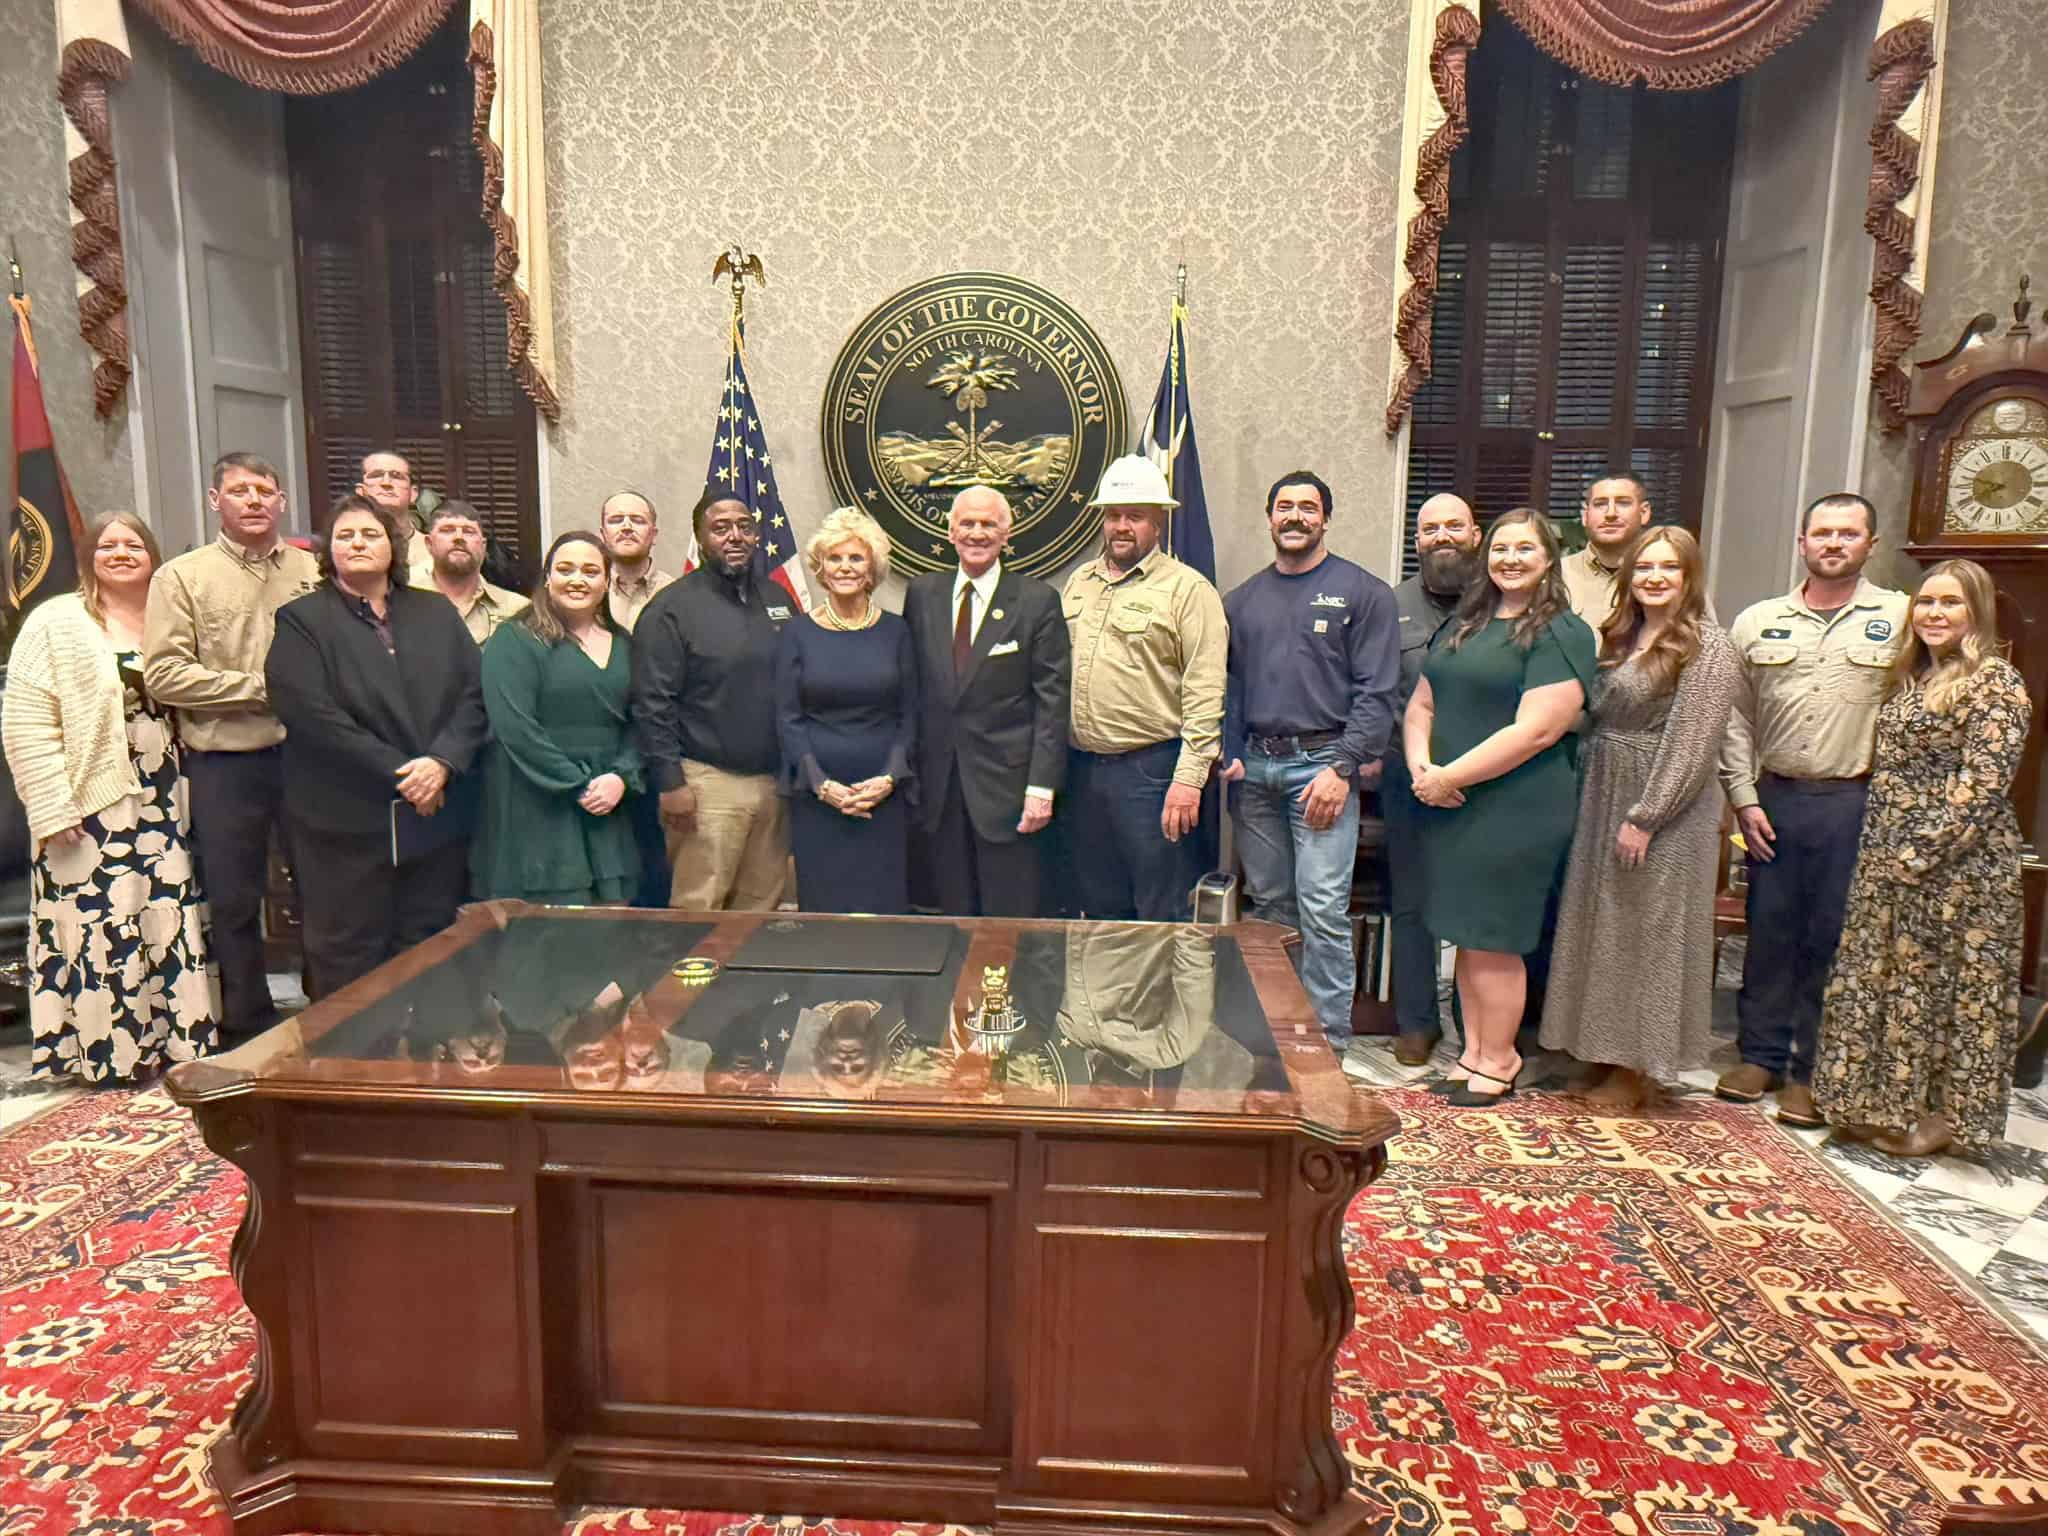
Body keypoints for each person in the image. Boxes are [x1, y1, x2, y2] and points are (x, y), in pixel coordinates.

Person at [1813, 561, 2030, 1157]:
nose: (1935, 613)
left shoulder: (1996, 684)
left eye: (1951, 603)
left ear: (1977, 612)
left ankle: (1942, 1119)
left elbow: (1982, 785)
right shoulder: (1911, 676)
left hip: (1958, 871)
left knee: (1946, 993)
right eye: (1926, 601)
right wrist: (1886, 858)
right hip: (1886, 860)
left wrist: (1916, 856)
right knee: (1886, 986)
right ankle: (1875, 1102)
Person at [2, 512, 218, 1082]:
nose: (121, 553)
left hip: (169, 799)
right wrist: (50, 804)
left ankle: (179, 1044)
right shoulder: (56, 621)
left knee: (166, 916)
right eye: (107, 545)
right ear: (87, 556)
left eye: (133, 544)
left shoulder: (174, 615)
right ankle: (108, 1054)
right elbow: (26, 722)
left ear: (153, 554)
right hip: (88, 800)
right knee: (101, 922)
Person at [1717, 492, 1909, 1127]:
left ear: (1869, 545)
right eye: (1822, 533)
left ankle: (1811, 1068)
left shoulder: (1901, 618)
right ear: (1801, 542)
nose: (1834, 543)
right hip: (1774, 798)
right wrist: (1743, 797)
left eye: (1848, 534)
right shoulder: (1758, 621)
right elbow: (1735, 718)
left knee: (1833, 935)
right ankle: (1761, 1055)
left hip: (1855, 798)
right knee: (1769, 929)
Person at [1539, 527, 1738, 1109]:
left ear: (1689, 577)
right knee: (1603, 928)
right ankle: (1600, 1051)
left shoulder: (1708, 646)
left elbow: (1695, 744)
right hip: (1604, 789)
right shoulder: (1622, 635)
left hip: (1662, 807)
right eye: (1644, 567)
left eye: (1668, 568)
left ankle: (1639, 1069)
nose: (1654, 577)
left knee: (1650, 934)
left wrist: (1647, 816)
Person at [1405, 507, 1594, 1105]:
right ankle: (1471, 1053)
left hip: (1515, 805)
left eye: (1526, 550)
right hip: (1450, 800)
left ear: (1549, 559)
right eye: (1501, 549)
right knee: (1464, 931)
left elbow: (1537, 730)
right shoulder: (1470, 620)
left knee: (1496, 934)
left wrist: (1447, 776)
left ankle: (1501, 1057)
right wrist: (1421, 768)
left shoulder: (1561, 631)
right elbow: (1421, 704)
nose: (1510, 560)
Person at [265, 494, 489, 997]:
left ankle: (427, 1062)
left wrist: (442, 763)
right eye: (345, 535)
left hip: (434, 818)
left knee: (431, 949)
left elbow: (474, 696)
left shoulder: (434, 612)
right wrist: (406, 772)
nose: (358, 543)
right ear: (329, 552)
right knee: (348, 957)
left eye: (370, 534)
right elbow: (312, 715)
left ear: (395, 544)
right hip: (344, 825)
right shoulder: (302, 620)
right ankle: (350, 1068)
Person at [1220, 470, 1399, 1051]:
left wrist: (1342, 767)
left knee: (1322, 910)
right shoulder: (1241, 602)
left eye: (1308, 507)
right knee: (1270, 907)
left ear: (1326, 518)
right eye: (1284, 507)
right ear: (1269, 518)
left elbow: (1378, 693)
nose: (1295, 517)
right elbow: (1222, 686)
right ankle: (1279, 1031)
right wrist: (1227, 749)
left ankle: (1326, 1044)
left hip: (1321, 769)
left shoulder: (1363, 592)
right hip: (1254, 773)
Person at [143, 452, 319, 1039]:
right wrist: (262, 690)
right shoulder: (182, 578)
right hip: (225, 761)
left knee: (324, 888)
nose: (253, 500)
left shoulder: (312, 572)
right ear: (215, 501)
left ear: (282, 502)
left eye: (264, 491)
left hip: (309, 758)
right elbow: (164, 674)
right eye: (239, 490)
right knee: (236, 899)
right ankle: (249, 1024)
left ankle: (330, 1009)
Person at [1061, 454, 1227, 922]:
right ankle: (1106, 997)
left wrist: (1188, 780)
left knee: (1159, 910)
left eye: (1134, 516)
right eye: (1113, 515)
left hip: (1153, 775)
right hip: (1084, 772)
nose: (1121, 526)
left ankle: (1157, 999)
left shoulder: (1188, 591)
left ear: (1159, 522)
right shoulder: (1079, 584)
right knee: (1095, 906)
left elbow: (1205, 690)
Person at [903, 485, 1070, 917]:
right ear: (950, 531)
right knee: (953, 920)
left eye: (988, 524)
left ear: (1006, 533)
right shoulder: (922, 595)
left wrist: (1041, 788)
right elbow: (914, 691)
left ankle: (1007, 988)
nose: (977, 533)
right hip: (939, 790)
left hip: (1009, 793)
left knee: (1009, 922)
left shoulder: (1036, 601)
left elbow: (1052, 703)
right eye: (968, 524)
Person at [631, 489, 800, 910]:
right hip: (706, 784)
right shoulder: (671, 609)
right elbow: (653, 702)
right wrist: (670, 782)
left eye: (744, 526)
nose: (735, 536)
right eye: (720, 528)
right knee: (698, 910)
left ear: (757, 536)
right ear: (700, 539)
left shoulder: (777, 599)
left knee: (761, 910)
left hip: (774, 786)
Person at [472, 531, 643, 904]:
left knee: (613, 928)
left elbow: (639, 722)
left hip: (609, 802)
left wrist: (621, 777)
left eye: (590, 571)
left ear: (606, 580)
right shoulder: (515, 639)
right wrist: (577, 784)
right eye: (565, 569)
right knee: (550, 936)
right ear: (547, 578)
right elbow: (515, 728)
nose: (577, 579)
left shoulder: (627, 644)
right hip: (540, 804)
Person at [1381, 493, 1482, 1066]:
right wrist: (1418, 769)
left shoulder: (1503, 602)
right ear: (1416, 541)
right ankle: (1417, 1021)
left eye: (1454, 526)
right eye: (1430, 529)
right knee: (1412, 902)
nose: (1442, 537)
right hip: (1409, 777)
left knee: (1478, 904)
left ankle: (1479, 1024)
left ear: (1475, 534)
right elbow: (1377, 692)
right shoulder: (1388, 604)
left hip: (1489, 779)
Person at [776, 507, 918, 913]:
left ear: (872, 567)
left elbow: (911, 714)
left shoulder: (897, 631)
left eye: (856, 558)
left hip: (884, 800)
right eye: (835, 558)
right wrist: (822, 785)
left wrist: (889, 778)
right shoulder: (797, 633)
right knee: (826, 911)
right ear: (821, 567)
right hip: (817, 799)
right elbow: (788, 717)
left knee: (884, 909)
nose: (845, 568)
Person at [418, 500, 528, 644]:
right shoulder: (401, 603)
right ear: (429, 544)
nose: (459, 538)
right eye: (447, 530)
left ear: (483, 546)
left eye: (469, 532)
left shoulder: (518, 610)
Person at [1559, 473, 1653, 628]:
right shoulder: (1557, 575)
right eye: (1600, 504)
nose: (1610, 514)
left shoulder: (1665, 578)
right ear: (1585, 515)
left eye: (1623, 503)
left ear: (1644, 513)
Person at [355, 448, 442, 585]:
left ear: (413, 494)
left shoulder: (437, 552)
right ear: (360, 491)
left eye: (397, 476)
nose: (386, 483)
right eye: (376, 475)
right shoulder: (343, 550)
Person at [600, 491, 672, 633]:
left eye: (638, 520)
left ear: (653, 535)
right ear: (603, 535)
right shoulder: (590, 592)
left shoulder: (674, 592)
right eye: (616, 520)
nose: (627, 527)